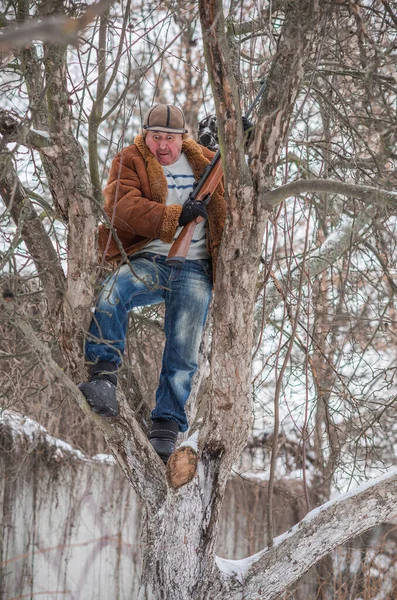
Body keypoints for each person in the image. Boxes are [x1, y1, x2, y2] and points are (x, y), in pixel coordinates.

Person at [78, 104, 227, 463]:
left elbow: (240, 181)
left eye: (170, 138)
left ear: (183, 138)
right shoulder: (129, 160)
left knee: (184, 347)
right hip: (148, 258)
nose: (162, 145)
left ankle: (165, 424)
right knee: (112, 294)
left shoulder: (205, 161)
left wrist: (240, 142)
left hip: (195, 267)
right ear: (145, 136)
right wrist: (175, 216)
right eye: (155, 137)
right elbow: (121, 206)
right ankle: (103, 377)